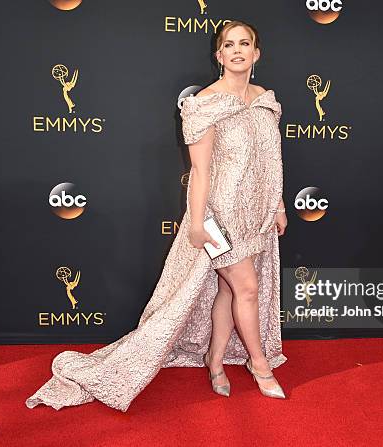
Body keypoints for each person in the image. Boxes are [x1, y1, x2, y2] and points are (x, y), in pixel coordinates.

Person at [25, 20, 287, 413]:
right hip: (221, 214)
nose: (236, 50)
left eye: (244, 43)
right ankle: (260, 364)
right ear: (218, 56)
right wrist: (197, 224)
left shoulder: (265, 100)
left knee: (230, 290)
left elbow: (272, 160)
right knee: (247, 288)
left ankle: (215, 364)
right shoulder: (206, 105)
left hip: (256, 214)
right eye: (228, 44)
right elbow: (200, 171)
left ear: (256, 53)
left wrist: (279, 205)